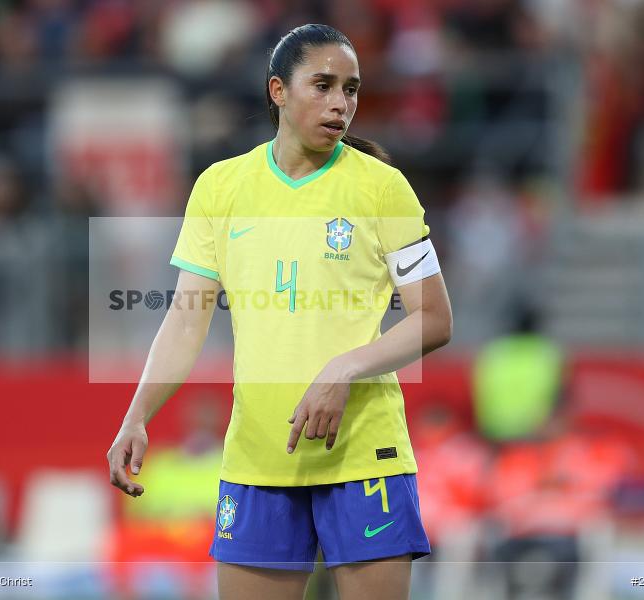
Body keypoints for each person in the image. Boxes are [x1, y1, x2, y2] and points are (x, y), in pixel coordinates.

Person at [107, 24, 453, 600]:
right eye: (323, 85)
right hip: (258, 457)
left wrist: (342, 369)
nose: (341, 103)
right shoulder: (220, 188)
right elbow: (187, 319)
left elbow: (436, 319)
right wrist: (137, 413)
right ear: (278, 91)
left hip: (364, 455)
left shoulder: (383, 189)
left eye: (351, 88)